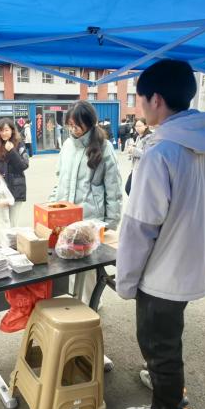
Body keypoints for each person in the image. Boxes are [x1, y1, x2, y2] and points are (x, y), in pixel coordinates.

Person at [115, 59, 205, 409]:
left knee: (158, 342)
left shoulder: (161, 153)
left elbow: (139, 227)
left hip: (164, 272)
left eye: (140, 98)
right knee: (168, 336)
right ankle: (167, 383)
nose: (138, 106)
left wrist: (125, 280)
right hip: (191, 261)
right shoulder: (204, 146)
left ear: (156, 99)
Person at [49, 100, 122, 305]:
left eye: (77, 125)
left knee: (88, 265)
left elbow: (113, 187)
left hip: (90, 218)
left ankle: (90, 305)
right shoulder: (67, 146)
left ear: (90, 122)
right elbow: (59, 180)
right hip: (65, 215)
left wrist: (111, 221)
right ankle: (77, 301)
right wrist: (51, 206)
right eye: (70, 125)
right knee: (67, 259)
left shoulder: (104, 147)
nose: (73, 129)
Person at [0, 118, 29, 237]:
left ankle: (12, 245)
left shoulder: (19, 144)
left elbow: (24, 166)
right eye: (1, 130)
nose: (4, 133)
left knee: (13, 223)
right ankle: (5, 245)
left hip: (16, 188)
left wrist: (12, 151)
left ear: (12, 130)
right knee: (2, 222)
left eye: (6, 130)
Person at [124, 117, 153, 196]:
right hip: (135, 167)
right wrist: (131, 151)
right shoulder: (138, 137)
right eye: (136, 126)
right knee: (129, 188)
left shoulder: (150, 138)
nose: (137, 128)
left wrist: (134, 150)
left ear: (146, 126)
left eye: (139, 126)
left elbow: (147, 153)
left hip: (143, 169)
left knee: (131, 189)